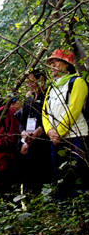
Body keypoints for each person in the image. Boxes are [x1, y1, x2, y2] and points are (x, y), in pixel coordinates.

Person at [42, 49, 89, 199]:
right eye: (51, 62)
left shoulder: (78, 82)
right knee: (61, 175)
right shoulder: (51, 87)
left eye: (56, 61)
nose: (52, 65)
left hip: (76, 135)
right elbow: (45, 112)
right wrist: (50, 131)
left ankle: (81, 212)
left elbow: (74, 109)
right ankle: (65, 210)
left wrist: (59, 132)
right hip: (56, 139)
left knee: (78, 173)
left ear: (66, 64)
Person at [18, 69, 55, 193]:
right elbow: (22, 121)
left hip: (45, 143)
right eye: (27, 83)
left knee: (46, 176)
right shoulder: (29, 99)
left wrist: (39, 132)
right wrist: (24, 136)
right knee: (31, 179)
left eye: (32, 82)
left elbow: (52, 117)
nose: (30, 85)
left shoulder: (49, 95)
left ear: (41, 79)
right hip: (29, 144)